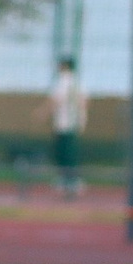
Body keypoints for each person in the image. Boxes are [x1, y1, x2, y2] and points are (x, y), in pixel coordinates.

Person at [49, 56, 86, 195]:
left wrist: (43, 112)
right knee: (69, 153)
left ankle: (69, 180)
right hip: (71, 123)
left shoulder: (64, 81)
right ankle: (71, 180)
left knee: (65, 153)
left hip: (65, 123)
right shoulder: (77, 82)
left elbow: (56, 100)